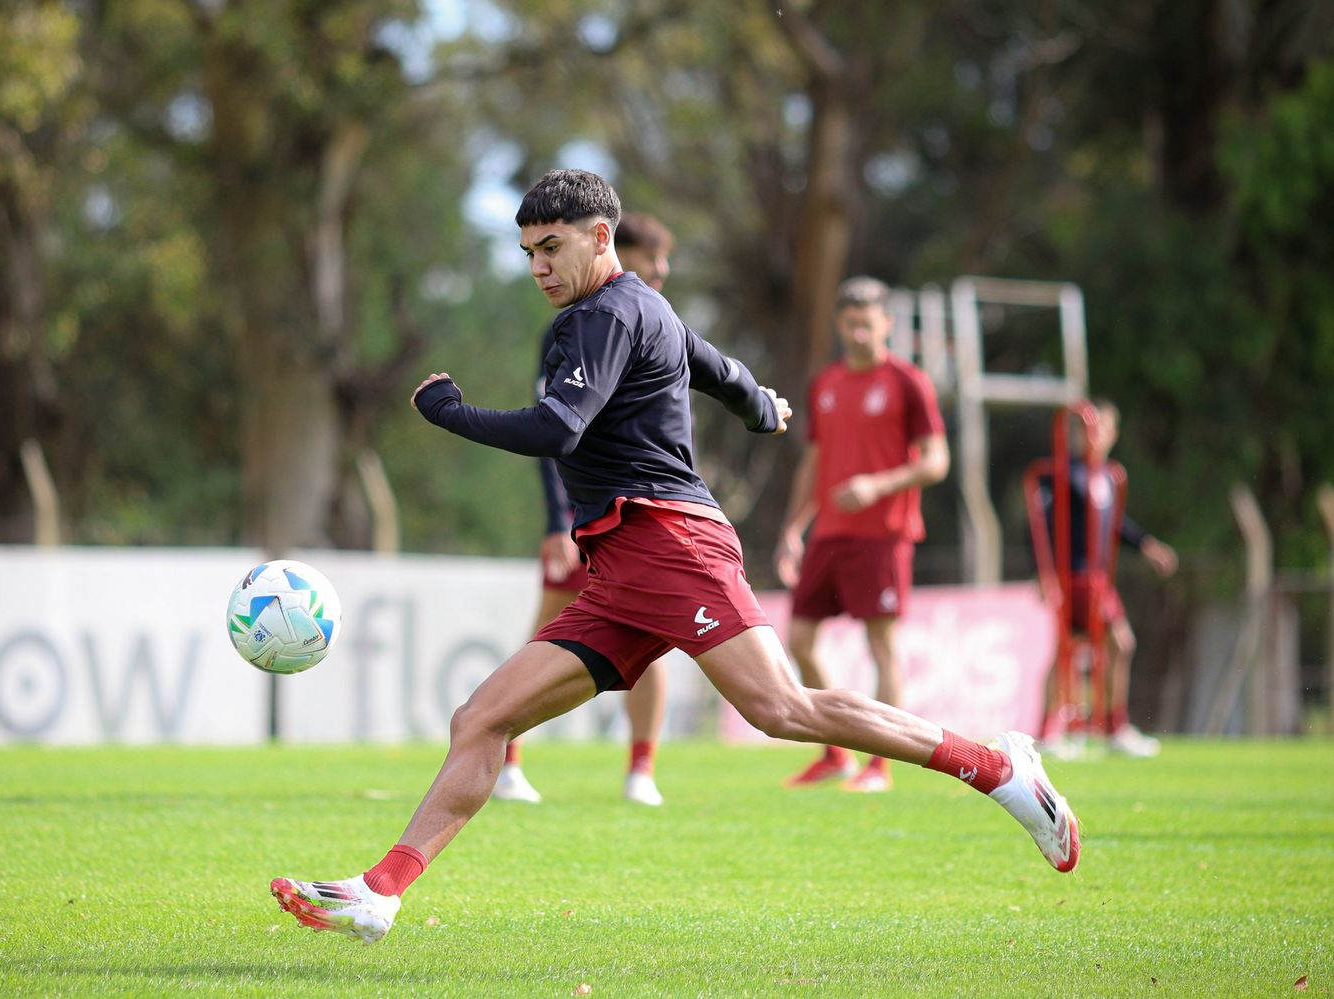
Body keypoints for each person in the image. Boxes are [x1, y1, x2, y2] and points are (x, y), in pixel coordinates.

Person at [270, 169, 1080, 945]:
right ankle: (381, 892)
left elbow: (559, 428)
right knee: (482, 718)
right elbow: (719, 369)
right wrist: (762, 408)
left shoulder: (601, 317)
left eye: (552, 246)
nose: (539, 267)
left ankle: (996, 767)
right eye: (527, 252)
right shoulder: (643, 306)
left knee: (782, 709)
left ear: (600, 235)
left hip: (669, 542)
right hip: (621, 566)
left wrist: (450, 411)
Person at [494, 212, 677, 808]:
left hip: (644, 522)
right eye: (653, 260)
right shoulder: (572, 328)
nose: (662, 271)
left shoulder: (658, 324)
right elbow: (552, 432)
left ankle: (641, 771)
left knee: (652, 642)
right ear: (617, 252)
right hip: (585, 518)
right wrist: (556, 522)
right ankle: (507, 760)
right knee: (544, 634)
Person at [774, 277, 949, 792]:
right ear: (839, 325)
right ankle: (839, 751)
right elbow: (814, 459)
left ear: (887, 324)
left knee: (882, 646)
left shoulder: (908, 382)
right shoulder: (825, 384)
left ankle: (881, 764)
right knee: (799, 642)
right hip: (829, 533)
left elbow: (937, 461)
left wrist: (879, 484)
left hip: (883, 533)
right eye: (849, 324)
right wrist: (792, 527)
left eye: (867, 324)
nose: (858, 333)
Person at [1037, 399, 1178, 758]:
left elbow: (1114, 524)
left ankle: (1109, 727)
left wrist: (1147, 545)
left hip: (1099, 580)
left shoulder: (1108, 477)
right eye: (1087, 428)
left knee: (1114, 645)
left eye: (1101, 428)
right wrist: (1046, 572)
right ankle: (1054, 730)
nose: (1093, 435)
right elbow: (1043, 525)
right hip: (1074, 576)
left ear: (1112, 434)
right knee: (1074, 649)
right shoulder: (1065, 475)